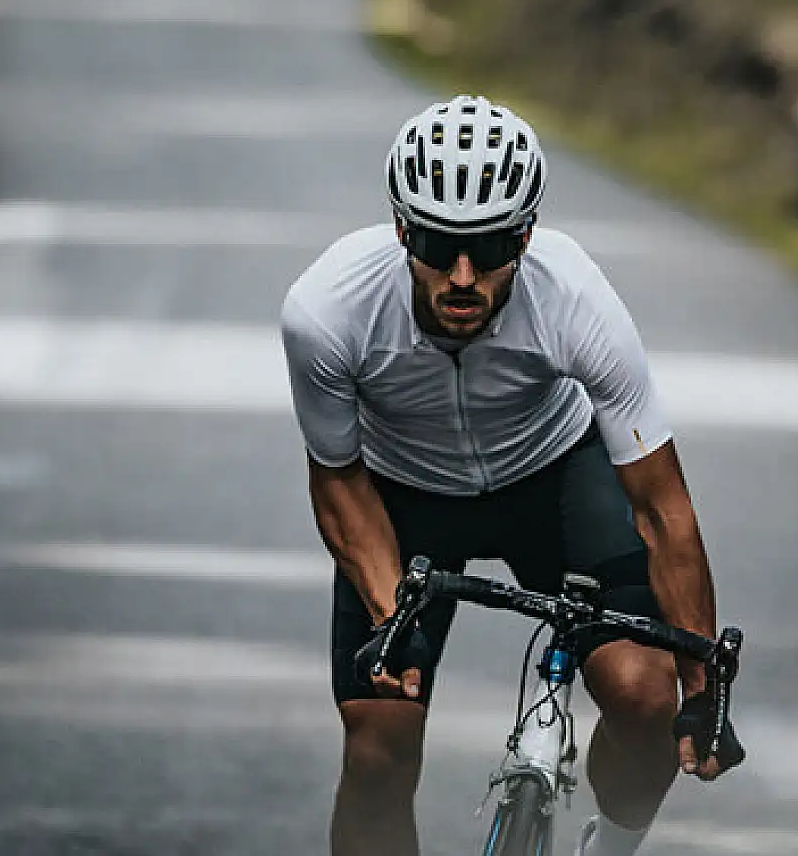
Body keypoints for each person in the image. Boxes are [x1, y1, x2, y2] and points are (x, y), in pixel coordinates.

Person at [280, 95, 744, 856]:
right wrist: (389, 614)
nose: (463, 274)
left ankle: (612, 849)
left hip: (553, 478)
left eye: (491, 247)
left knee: (644, 697)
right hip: (403, 498)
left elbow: (663, 509)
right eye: (437, 242)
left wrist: (702, 691)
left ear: (526, 235)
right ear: (401, 228)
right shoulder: (328, 311)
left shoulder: (575, 297)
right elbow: (337, 479)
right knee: (376, 746)